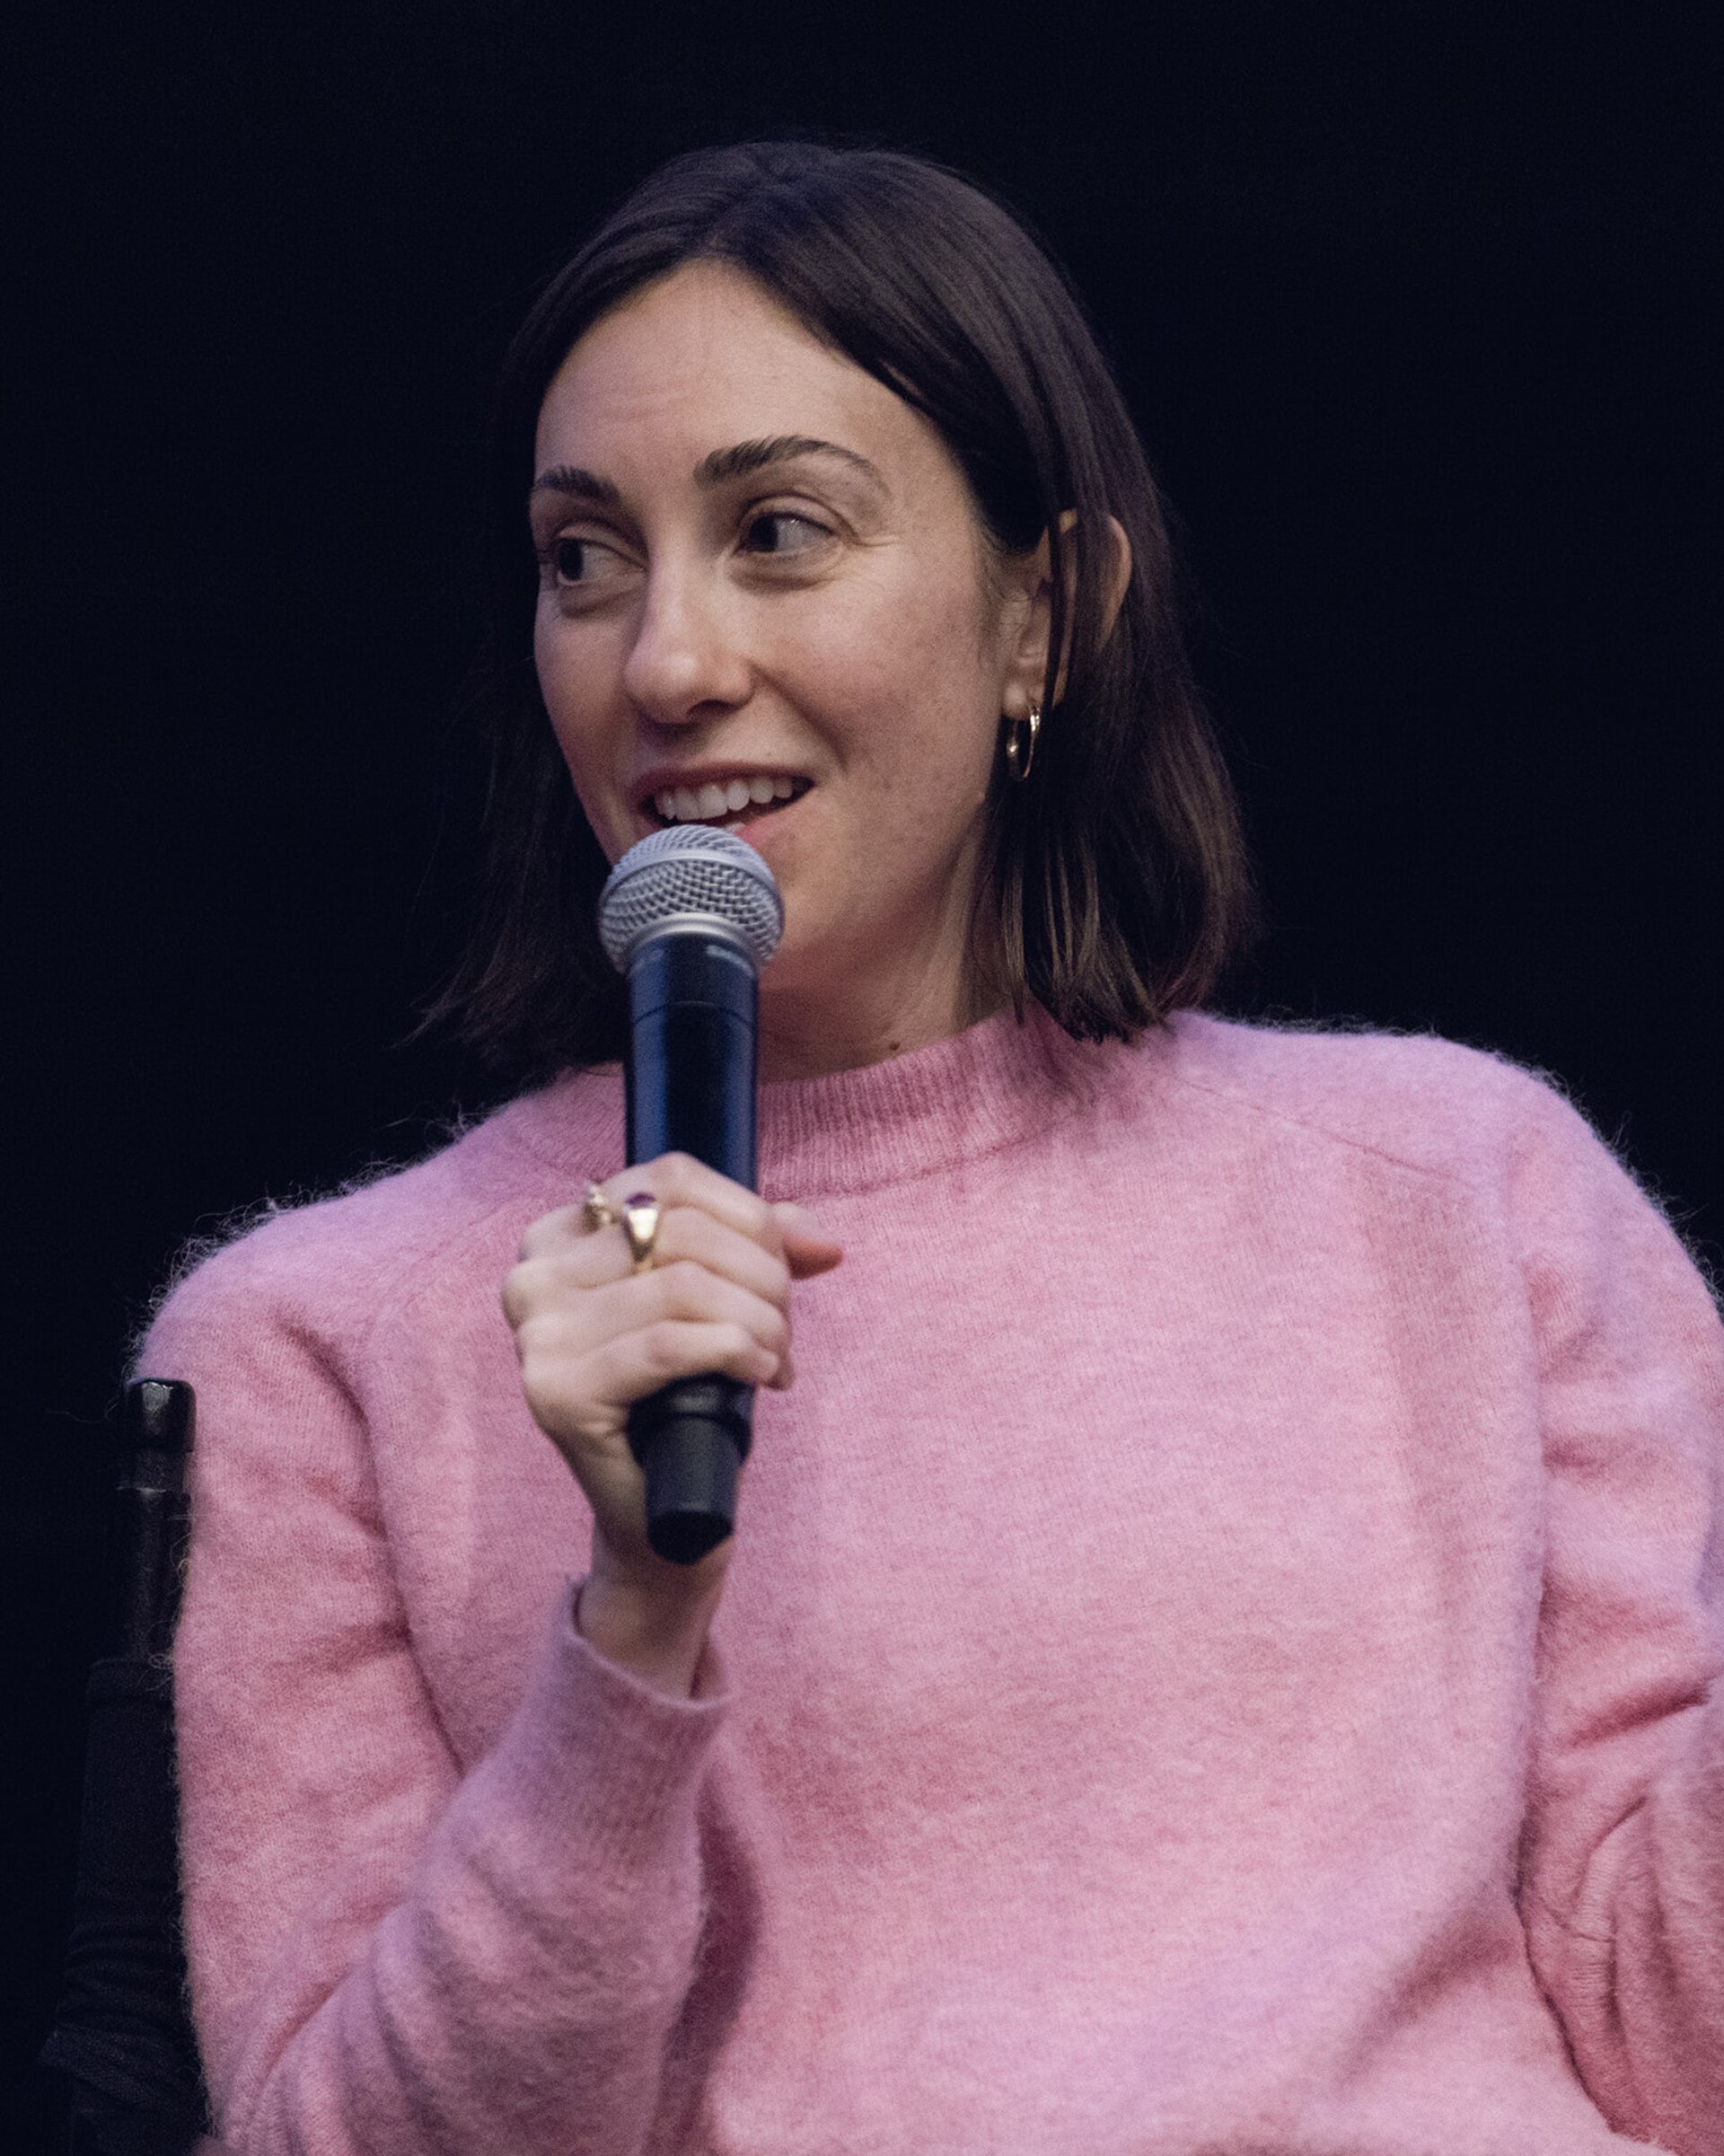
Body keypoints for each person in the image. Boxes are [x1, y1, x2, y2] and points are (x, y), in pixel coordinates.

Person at [143, 141, 1724, 2156]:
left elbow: (1673, 2044)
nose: (668, 661)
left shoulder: (1470, 1199)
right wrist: (632, 1614)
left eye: (780, 531)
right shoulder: (325, 1337)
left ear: (1046, 613)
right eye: (583, 557)